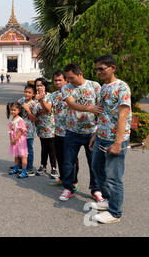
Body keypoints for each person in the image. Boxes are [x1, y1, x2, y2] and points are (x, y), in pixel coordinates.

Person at [89, 55, 132, 224]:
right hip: (101, 136)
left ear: (113, 68)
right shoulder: (104, 88)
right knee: (97, 169)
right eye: (96, 69)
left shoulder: (122, 87)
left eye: (102, 69)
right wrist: (95, 134)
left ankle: (115, 213)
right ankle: (107, 200)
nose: (98, 72)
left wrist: (118, 142)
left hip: (115, 138)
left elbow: (123, 116)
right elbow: (102, 114)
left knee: (114, 177)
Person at [59, 63, 103, 202]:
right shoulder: (66, 87)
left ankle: (96, 189)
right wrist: (89, 109)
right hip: (73, 131)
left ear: (80, 74)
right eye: (68, 78)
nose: (69, 81)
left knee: (94, 162)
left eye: (72, 78)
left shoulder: (95, 86)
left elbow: (101, 108)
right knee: (68, 162)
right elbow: (71, 104)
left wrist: (99, 128)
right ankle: (69, 187)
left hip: (92, 132)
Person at [49, 71, 79, 188]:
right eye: (55, 80)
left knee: (72, 159)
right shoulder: (54, 95)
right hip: (57, 131)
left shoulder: (73, 92)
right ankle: (62, 178)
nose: (57, 82)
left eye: (60, 80)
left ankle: (74, 181)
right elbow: (48, 109)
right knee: (60, 157)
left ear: (66, 81)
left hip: (70, 131)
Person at [11, 84, 38, 176]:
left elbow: (34, 119)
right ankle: (19, 165)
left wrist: (28, 110)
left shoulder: (34, 104)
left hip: (28, 130)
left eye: (29, 92)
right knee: (19, 148)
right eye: (25, 92)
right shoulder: (22, 100)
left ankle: (29, 168)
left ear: (33, 94)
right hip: (19, 129)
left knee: (28, 149)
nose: (27, 94)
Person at [34, 77, 58, 179]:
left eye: (41, 85)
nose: (39, 87)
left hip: (50, 125)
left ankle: (54, 167)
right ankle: (43, 165)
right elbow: (33, 111)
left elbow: (48, 109)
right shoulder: (34, 97)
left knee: (51, 147)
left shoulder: (50, 96)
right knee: (44, 146)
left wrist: (41, 100)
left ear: (45, 86)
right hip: (40, 125)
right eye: (37, 85)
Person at [7, 102, 28, 178]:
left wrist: (16, 139)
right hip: (14, 139)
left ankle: (24, 171)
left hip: (20, 139)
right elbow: (10, 131)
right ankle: (15, 168)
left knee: (23, 155)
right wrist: (11, 139)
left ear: (19, 110)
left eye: (14, 110)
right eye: (11, 110)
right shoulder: (12, 119)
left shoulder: (20, 120)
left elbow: (21, 131)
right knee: (16, 155)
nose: (12, 111)